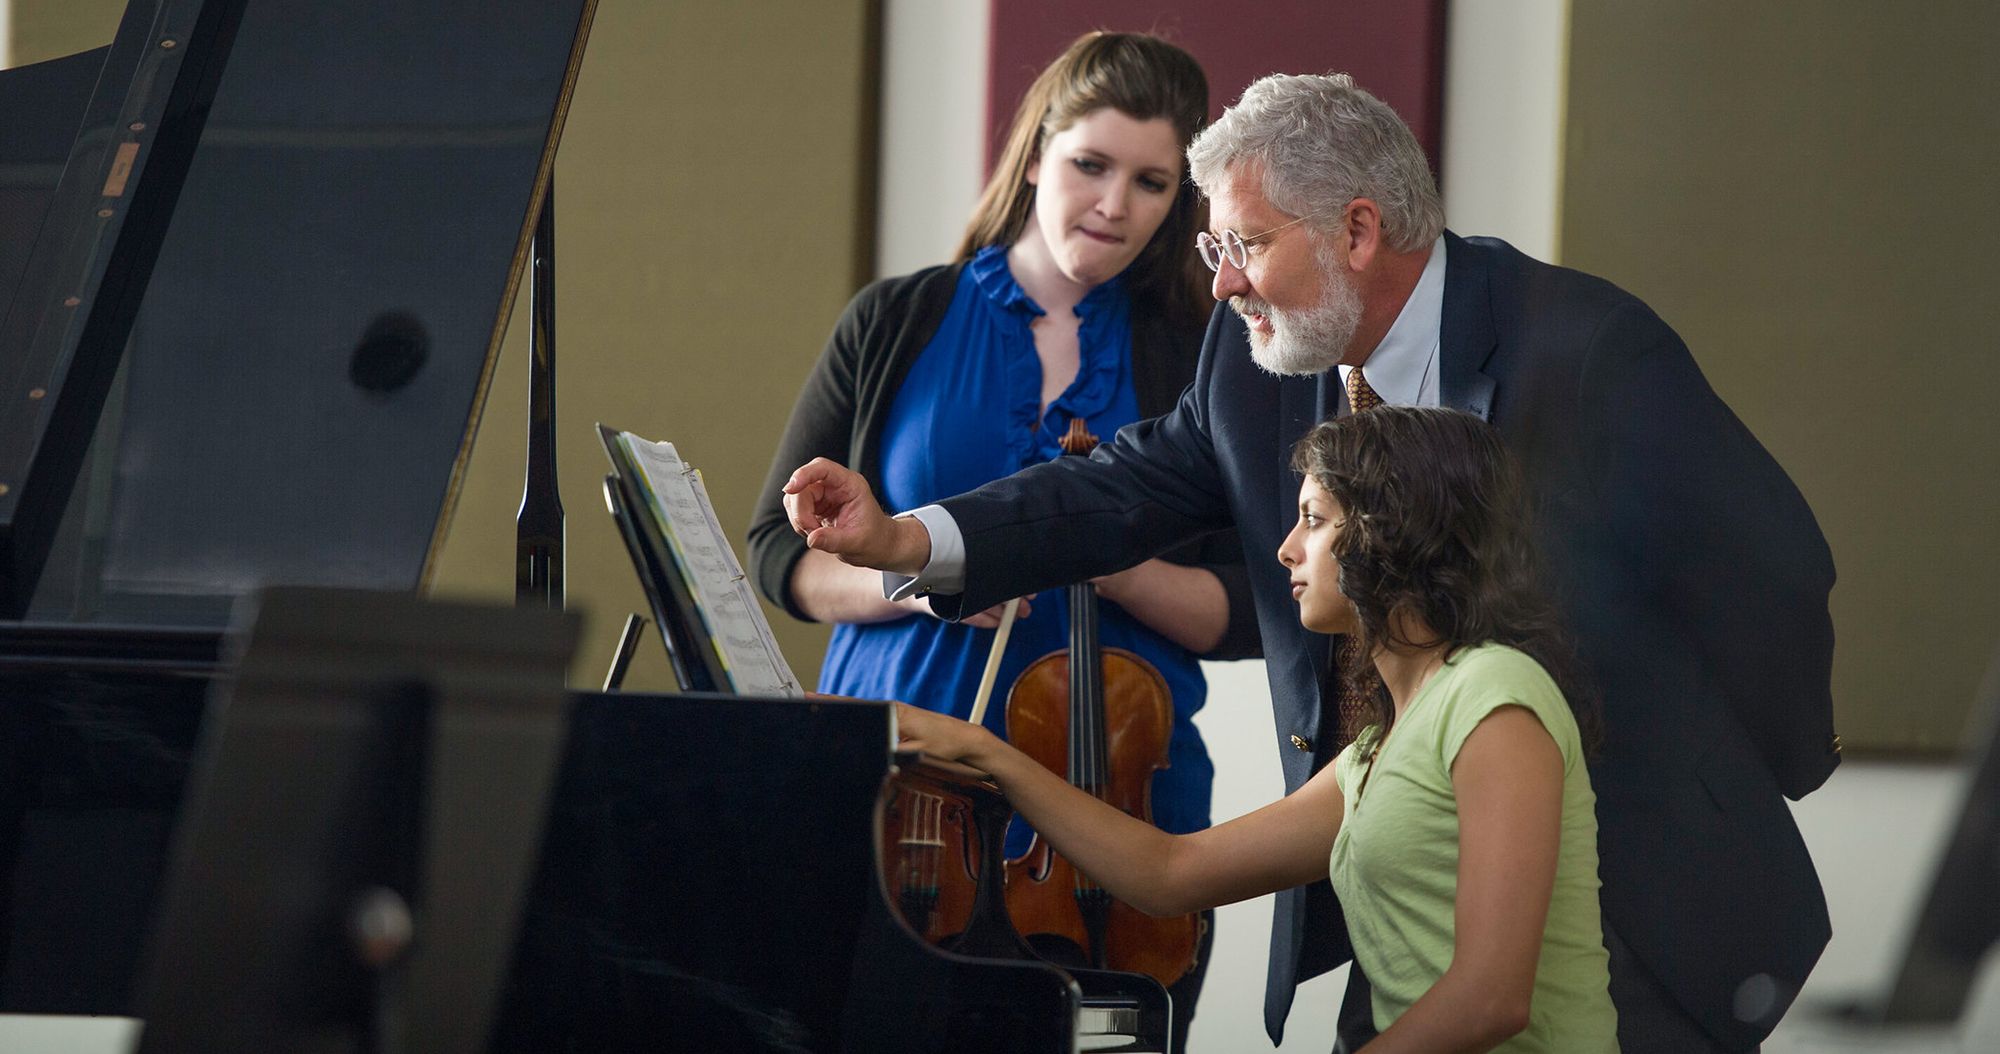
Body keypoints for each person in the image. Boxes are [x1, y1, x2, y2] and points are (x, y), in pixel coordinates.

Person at [782, 72, 1839, 1053]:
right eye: (1210, 252)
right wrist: (905, 542)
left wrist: (1713, 775)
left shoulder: (1586, 348)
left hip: (1640, 895)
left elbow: (1772, 571)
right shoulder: (1256, 366)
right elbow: (1114, 489)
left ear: (1359, 230)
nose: (1225, 281)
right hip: (1388, 870)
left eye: (1241, 244)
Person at [745, 32, 1256, 1035]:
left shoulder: (1204, 357)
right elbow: (776, 549)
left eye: (1152, 183)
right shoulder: (896, 317)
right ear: (1035, 155)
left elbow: (1252, 607)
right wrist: (922, 574)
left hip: (1118, 805)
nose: (1115, 205)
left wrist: (1109, 561)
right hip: (901, 787)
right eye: (1090, 166)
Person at [900, 407, 1617, 1052]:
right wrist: (987, 753)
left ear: (1390, 532)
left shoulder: (1494, 691)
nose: (1285, 550)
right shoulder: (1380, 745)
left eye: (1313, 519)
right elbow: (1168, 875)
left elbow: (1491, 998)